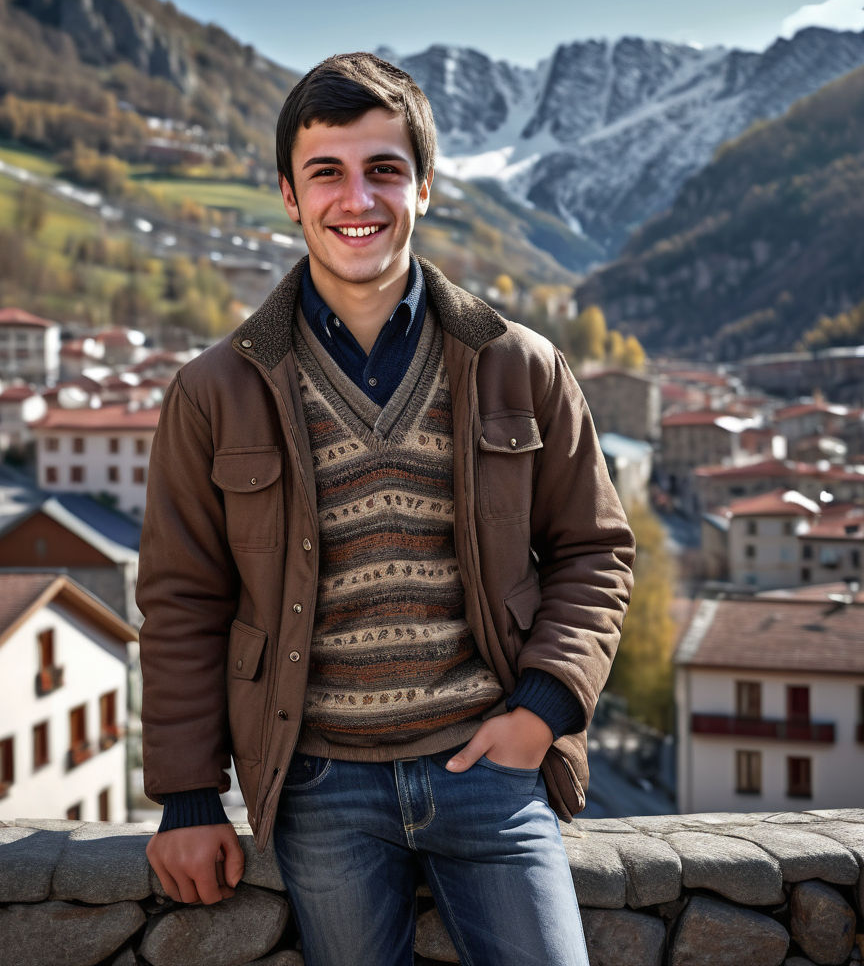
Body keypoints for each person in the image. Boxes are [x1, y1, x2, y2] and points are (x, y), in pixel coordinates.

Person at [137, 52, 635, 966]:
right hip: (320, 785)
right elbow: (181, 600)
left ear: (426, 186)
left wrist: (541, 708)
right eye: (326, 171)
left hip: (491, 769)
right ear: (289, 194)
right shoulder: (213, 391)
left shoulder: (520, 364)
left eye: (384, 170)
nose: (355, 198)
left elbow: (595, 551)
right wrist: (189, 797)